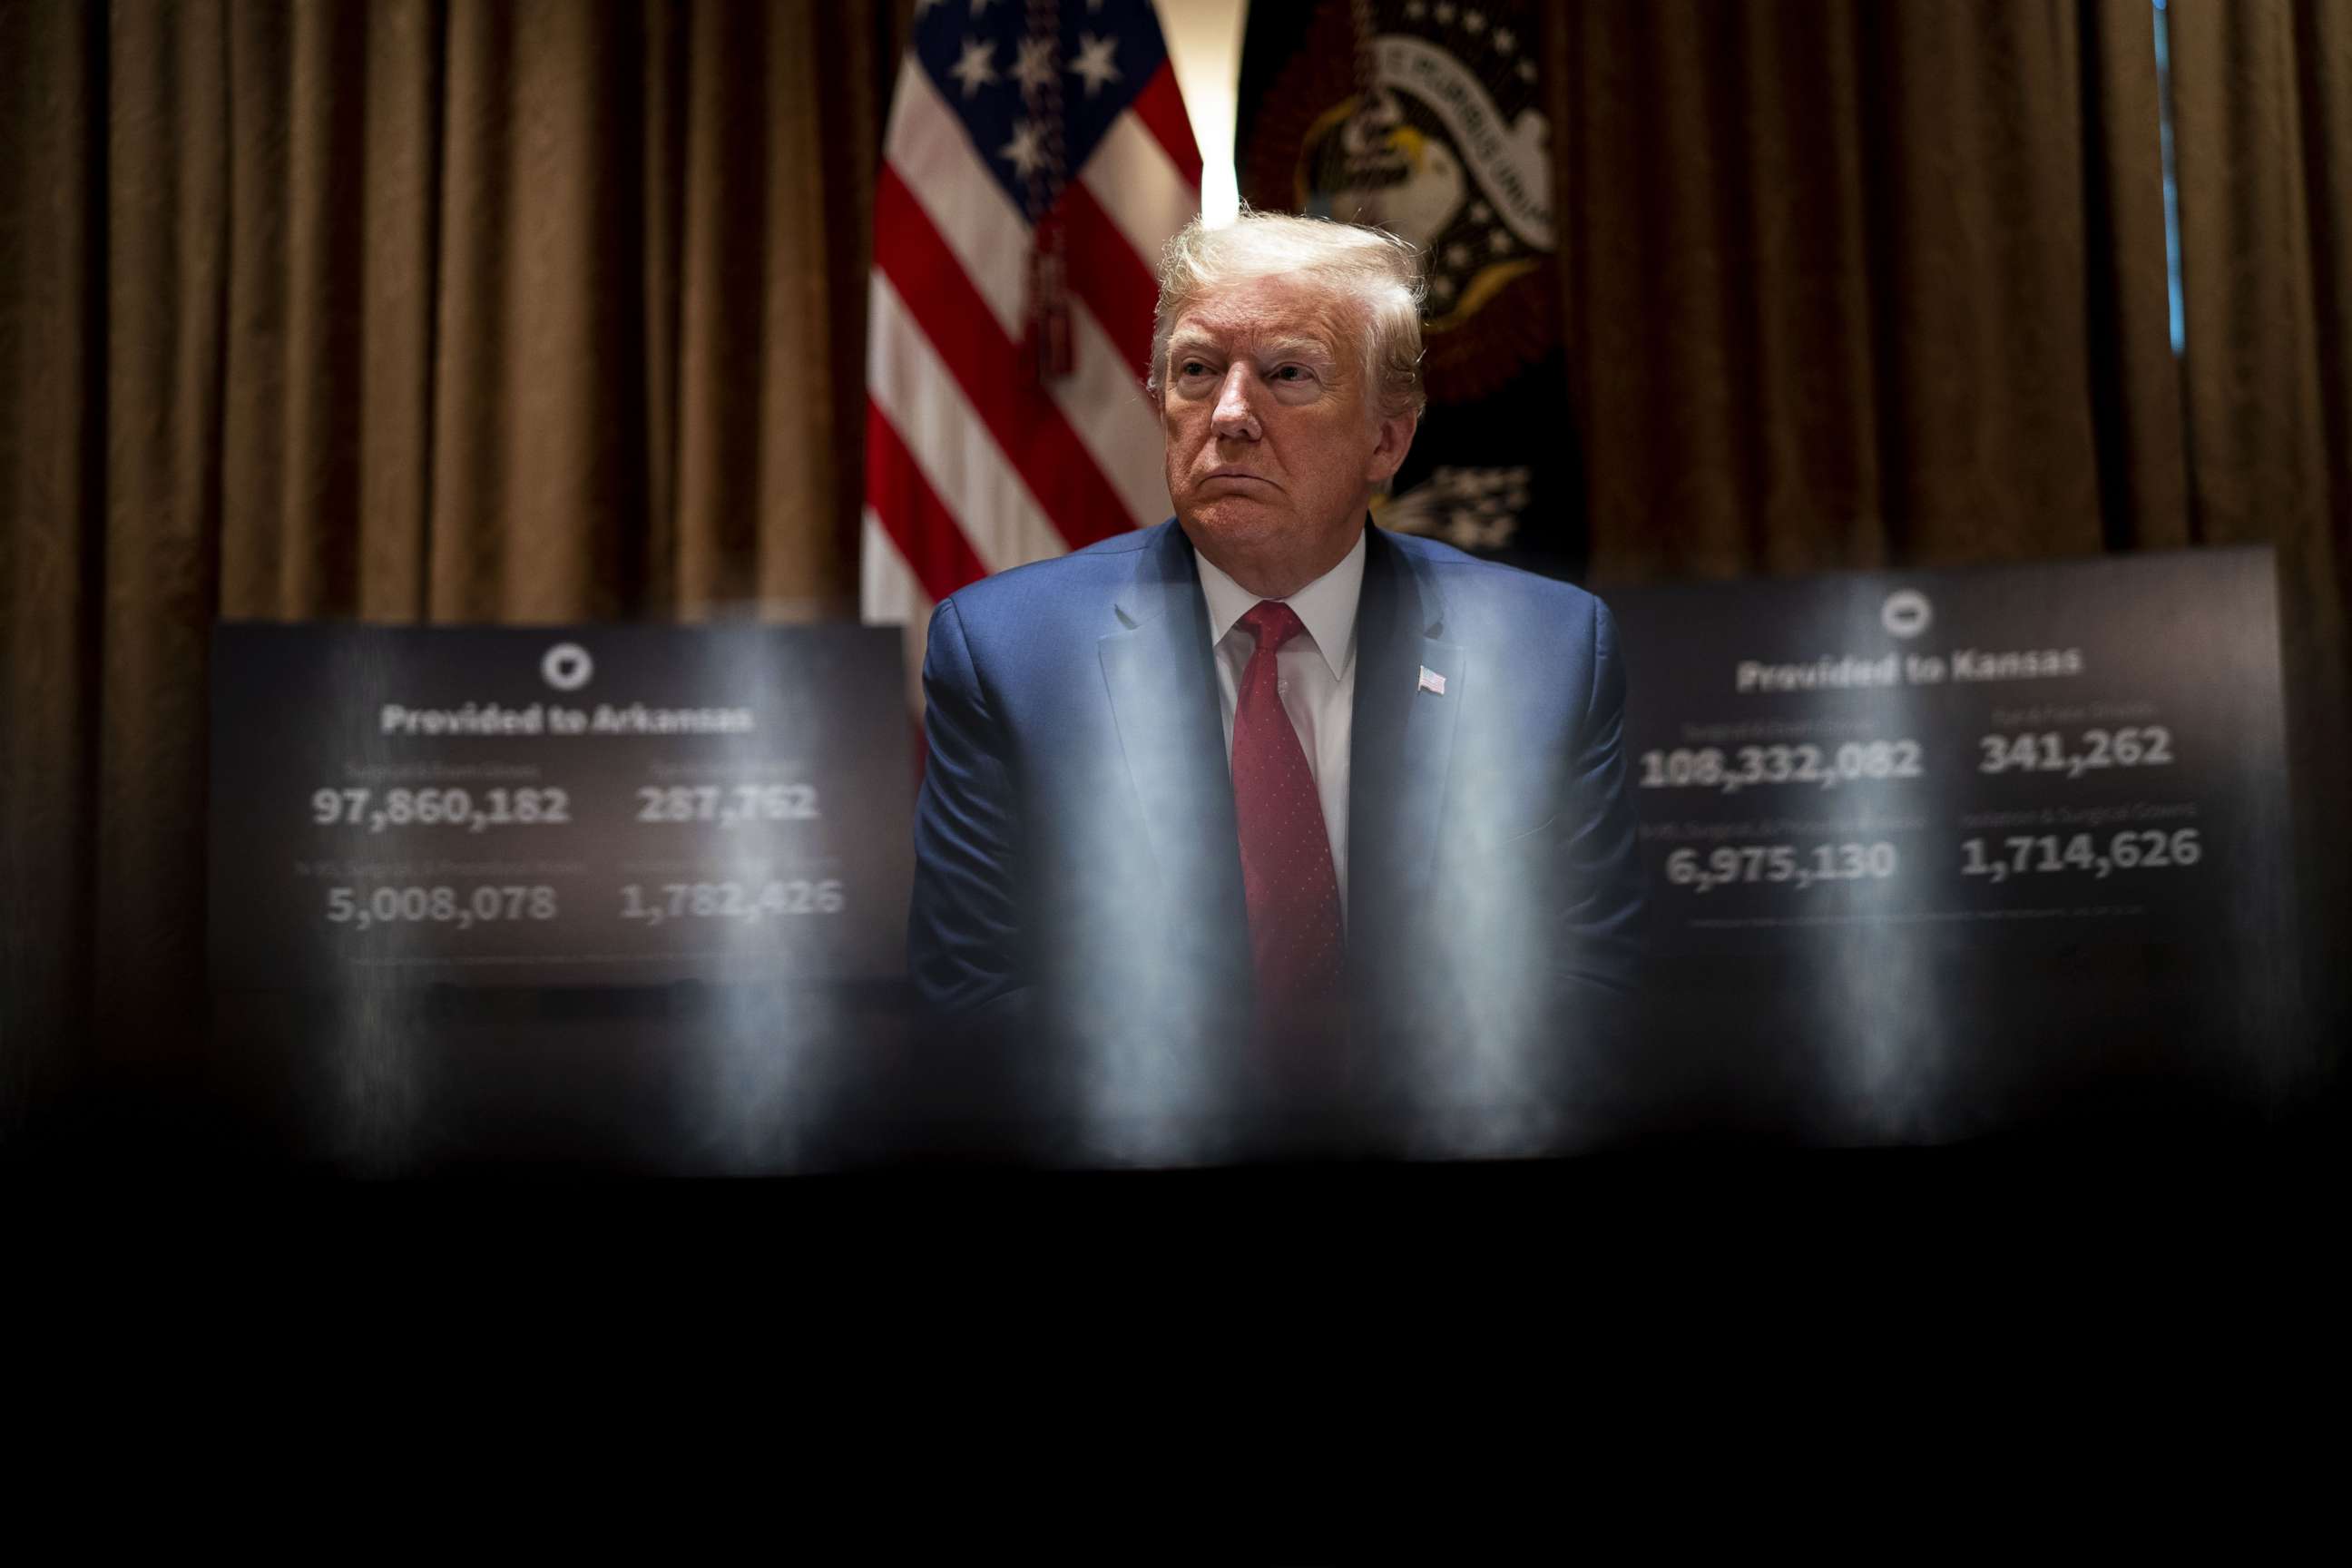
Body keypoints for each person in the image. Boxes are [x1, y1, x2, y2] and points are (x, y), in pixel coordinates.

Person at [907, 211, 1643, 1158]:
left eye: (1289, 374)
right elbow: (974, 1000)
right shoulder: (1009, 652)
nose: (1228, 415)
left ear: (1387, 441)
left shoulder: (1546, 650)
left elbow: (1588, 984)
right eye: (1197, 370)